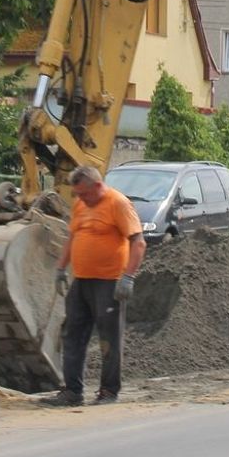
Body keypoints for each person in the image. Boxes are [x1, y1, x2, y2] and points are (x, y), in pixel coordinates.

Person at [42, 166, 145, 407]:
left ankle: (109, 391)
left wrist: (128, 277)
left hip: (109, 283)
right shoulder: (81, 204)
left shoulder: (118, 203)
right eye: (77, 194)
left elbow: (138, 243)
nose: (81, 199)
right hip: (82, 281)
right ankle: (72, 392)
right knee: (73, 334)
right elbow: (73, 237)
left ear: (98, 186)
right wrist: (60, 268)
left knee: (109, 337)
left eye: (85, 194)